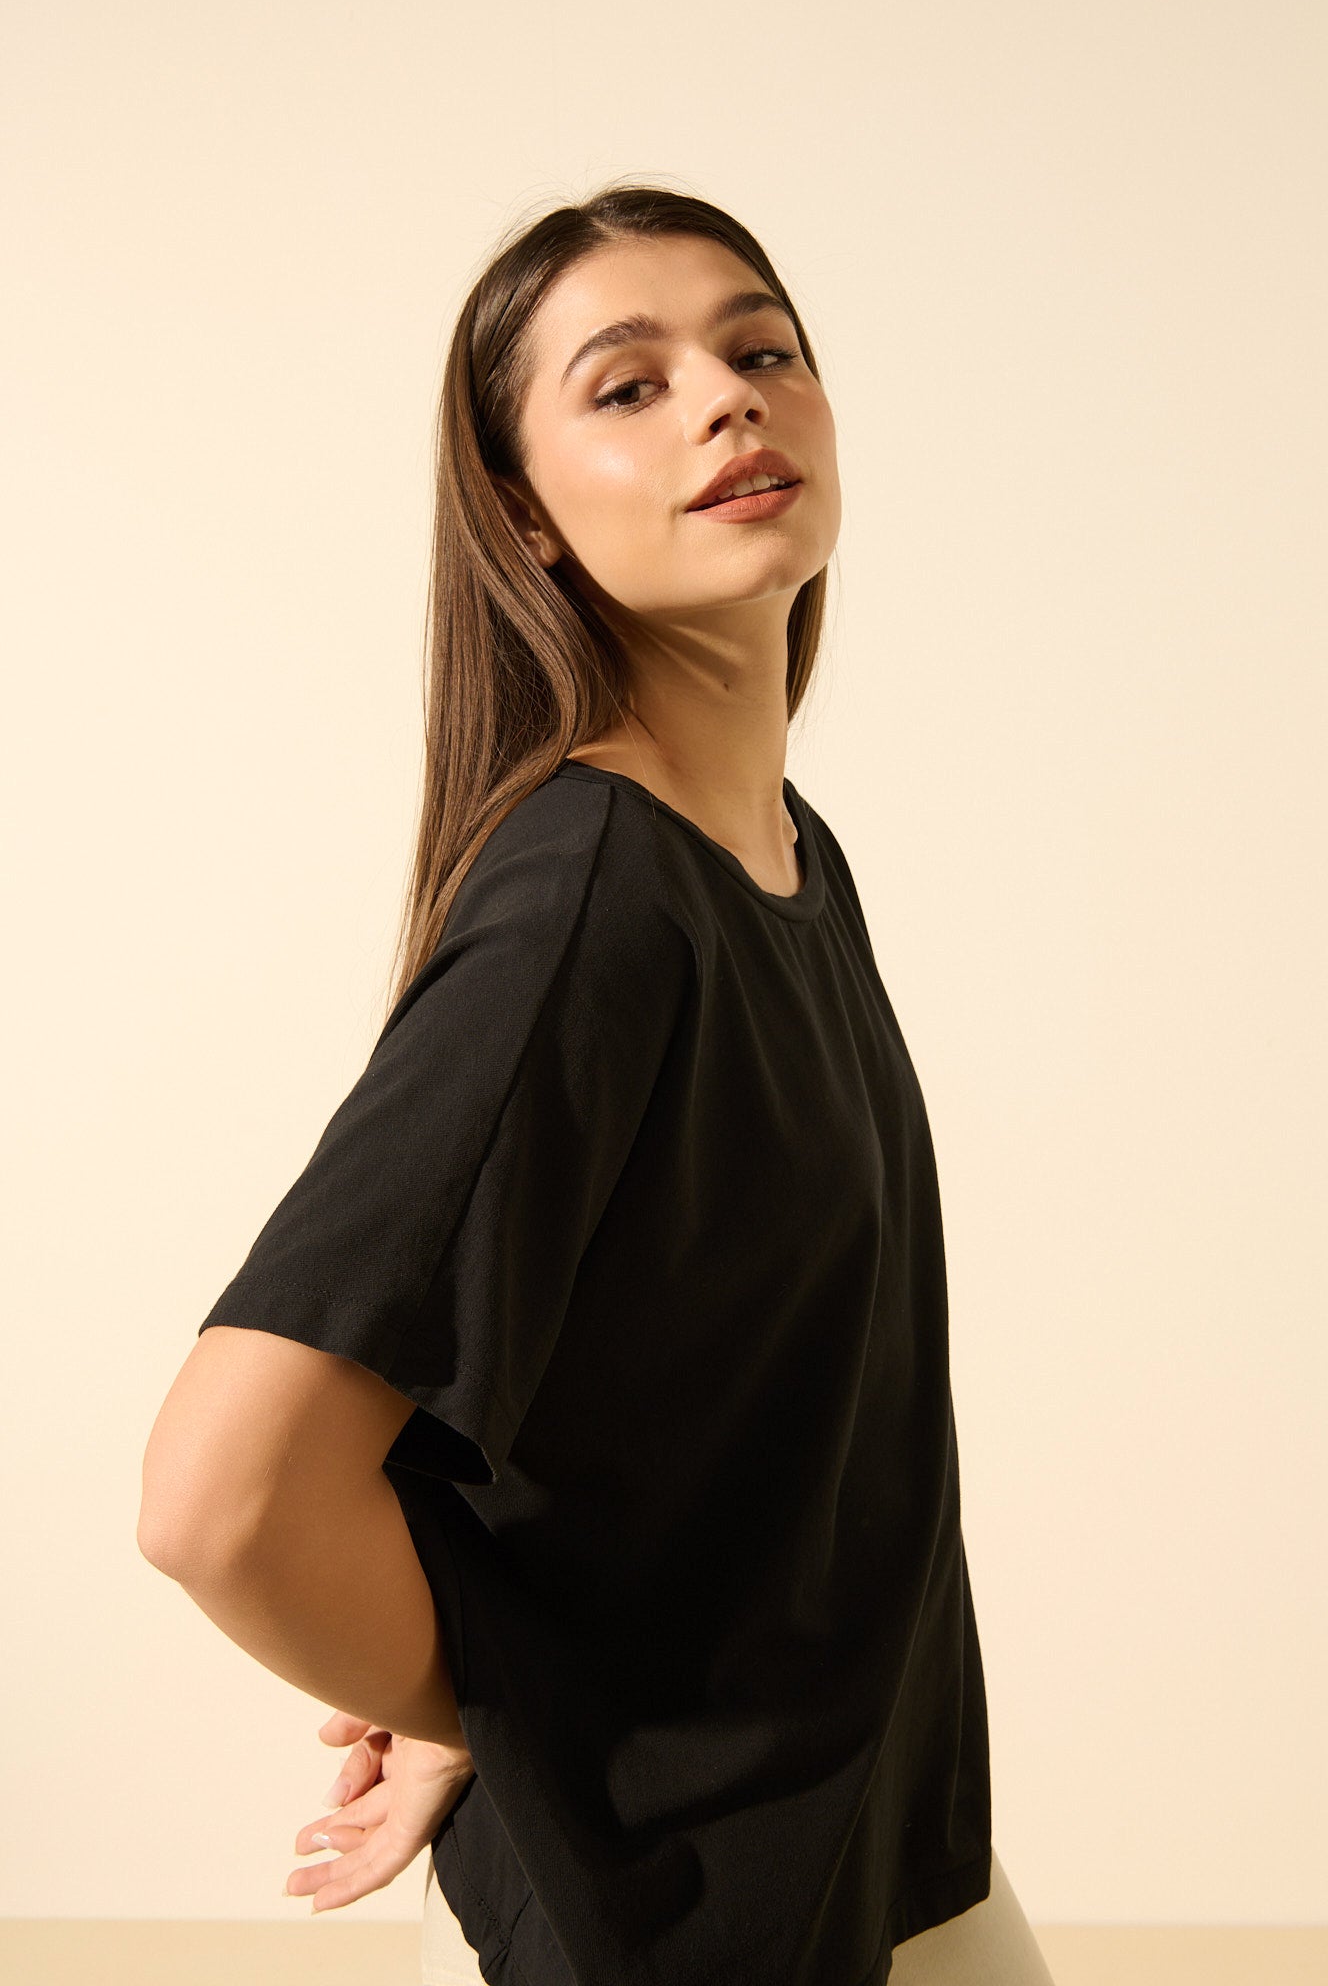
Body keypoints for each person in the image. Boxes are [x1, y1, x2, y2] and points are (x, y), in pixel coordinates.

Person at [137, 182, 1056, 1986]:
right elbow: (219, 1500)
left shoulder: (783, 852)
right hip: (676, 1913)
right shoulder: (590, 899)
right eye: (627, 385)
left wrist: (470, 1687)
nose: (725, 397)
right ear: (523, 520)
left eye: (758, 348)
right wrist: (480, 1697)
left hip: (880, 1833)